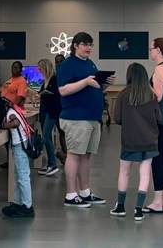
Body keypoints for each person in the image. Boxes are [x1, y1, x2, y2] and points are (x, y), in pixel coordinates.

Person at [57, 32, 114, 208]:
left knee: (86, 156)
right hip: (76, 118)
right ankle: (71, 194)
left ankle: (85, 192)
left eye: (90, 44)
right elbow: (63, 90)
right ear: (75, 45)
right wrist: (85, 82)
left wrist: (105, 83)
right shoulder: (67, 65)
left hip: (92, 117)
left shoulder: (90, 63)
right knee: (74, 154)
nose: (88, 47)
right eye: (85, 44)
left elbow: (94, 86)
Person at [110, 63, 160, 221]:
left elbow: (116, 118)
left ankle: (120, 206)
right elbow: (159, 118)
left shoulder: (123, 95)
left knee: (124, 172)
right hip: (149, 140)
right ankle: (138, 210)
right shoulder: (151, 95)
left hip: (129, 140)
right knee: (145, 173)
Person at [143, 37, 163, 214]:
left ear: (158, 50)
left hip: (158, 120)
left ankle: (156, 201)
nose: (150, 52)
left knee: (157, 159)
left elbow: (157, 96)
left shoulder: (159, 70)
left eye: (151, 49)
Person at [0, 96, 35, 218]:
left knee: (23, 176)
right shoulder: (13, 109)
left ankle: (27, 207)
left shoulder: (10, 113)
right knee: (18, 176)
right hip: (21, 145)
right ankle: (18, 202)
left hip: (20, 146)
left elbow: (15, 123)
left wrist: (2, 125)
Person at [37, 58, 61, 177]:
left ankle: (53, 164)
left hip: (52, 111)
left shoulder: (54, 79)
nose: (39, 70)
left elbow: (57, 94)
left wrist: (47, 94)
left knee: (46, 137)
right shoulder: (45, 81)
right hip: (46, 111)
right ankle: (51, 163)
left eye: (40, 68)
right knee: (47, 138)